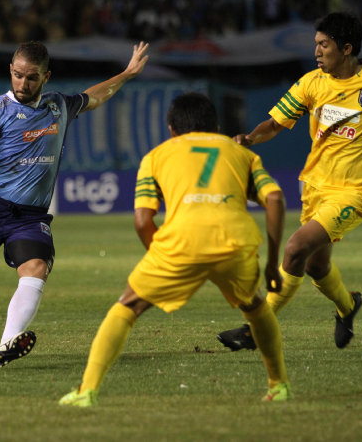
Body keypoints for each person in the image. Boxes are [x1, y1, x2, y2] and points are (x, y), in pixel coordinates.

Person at [0, 40, 149, 367]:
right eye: (17, 75)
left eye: (31, 78)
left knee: (36, 268)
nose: (23, 84)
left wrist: (127, 73)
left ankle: (6, 345)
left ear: (46, 76)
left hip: (29, 217)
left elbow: (97, 95)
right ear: (10, 71)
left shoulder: (59, 105)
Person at [59, 92, 291, 407]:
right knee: (255, 306)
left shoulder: (156, 156)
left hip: (179, 243)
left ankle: (87, 391)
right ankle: (279, 386)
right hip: (234, 241)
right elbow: (275, 199)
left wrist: (162, 255)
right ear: (216, 126)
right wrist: (272, 262)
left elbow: (143, 220)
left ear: (171, 129)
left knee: (128, 305)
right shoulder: (240, 152)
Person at [217, 12, 362, 352]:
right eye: (316, 44)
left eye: (323, 45)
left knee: (295, 248)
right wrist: (250, 139)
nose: (317, 51)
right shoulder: (311, 83)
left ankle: (257, 329)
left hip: (356, 192)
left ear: (346, 48)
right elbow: (276, 122)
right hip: (316, 188)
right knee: (316, 265)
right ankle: (347, 305)